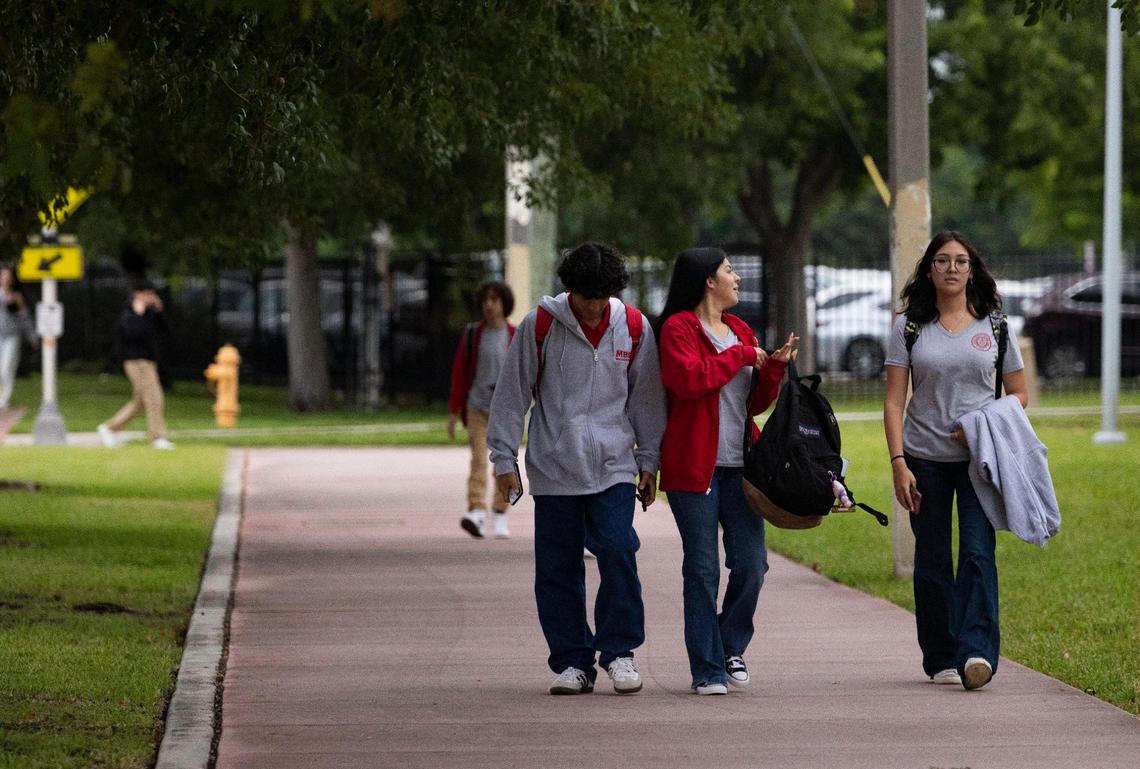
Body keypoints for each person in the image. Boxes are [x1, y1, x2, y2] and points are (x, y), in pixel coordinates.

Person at [487, 241, 666, 696]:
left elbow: (646, 399)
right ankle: (573, 661)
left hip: (614, 464)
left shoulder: (634, 327)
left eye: (601, 297)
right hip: (554, 463)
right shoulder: (541, 325)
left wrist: (649, 460)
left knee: (617, 548)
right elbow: (511, 395)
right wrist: (503, 459)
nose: (593, 306)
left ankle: (620, 651)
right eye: (585, 297)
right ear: (570, 291)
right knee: (558, 567)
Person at [883, 230, 1027, 691]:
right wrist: (898, 462)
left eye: (961, 261)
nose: (951, 269)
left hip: (981, 460)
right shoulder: (909, 327)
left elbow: (1021, 394)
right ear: (929, 269)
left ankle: (977, 652)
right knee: (932, 559)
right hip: (923, 459)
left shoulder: (996, 327)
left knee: (979, 553)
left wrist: (983, 422)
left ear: (972, 270)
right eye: (942, 261)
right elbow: (892, 403)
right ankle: (942, 655)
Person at [655, 247, 798, 695]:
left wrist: (772, 368)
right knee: (702, 570)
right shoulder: (678, 329)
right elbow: (688, 380)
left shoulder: (738, 328)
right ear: (707, 281)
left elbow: (752, 403)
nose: (737, 277)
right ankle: (708, 669)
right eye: (729, 270)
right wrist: (739, 356)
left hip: (741, 468)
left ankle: (730, 645)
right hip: (693, 470)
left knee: (752, 564)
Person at [447, 280, 516, 539]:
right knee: (478, 458)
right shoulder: (473, 335)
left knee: (503, 462)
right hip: (477, 406)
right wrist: (454, 413)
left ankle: (500, 511)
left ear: (504, 304)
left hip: (505, 410)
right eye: (485, 300)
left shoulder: (514, 335)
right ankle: (476, 511)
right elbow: (460, 374)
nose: (489, 305)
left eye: (495, 300)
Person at [97, 280, 175, 450]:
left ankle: (109, 428)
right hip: (136, 361)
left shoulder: (150, 313)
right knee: (154, 397)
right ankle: (157, 437)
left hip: (149, 361)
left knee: (140, 402)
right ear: (138, 294)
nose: (151, 297)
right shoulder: (130, 314)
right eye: (148, 294)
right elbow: (132, 335)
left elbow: (166, 331)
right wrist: (138, 315)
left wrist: (159, 311)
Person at [0, 265, 38, 415]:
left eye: (8, 276)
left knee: (6, 368)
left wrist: (32, 336)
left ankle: (3, 400)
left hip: (11, 337)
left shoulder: (15, 297)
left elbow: (22, 318)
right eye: (3, 275)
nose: (6, 278)